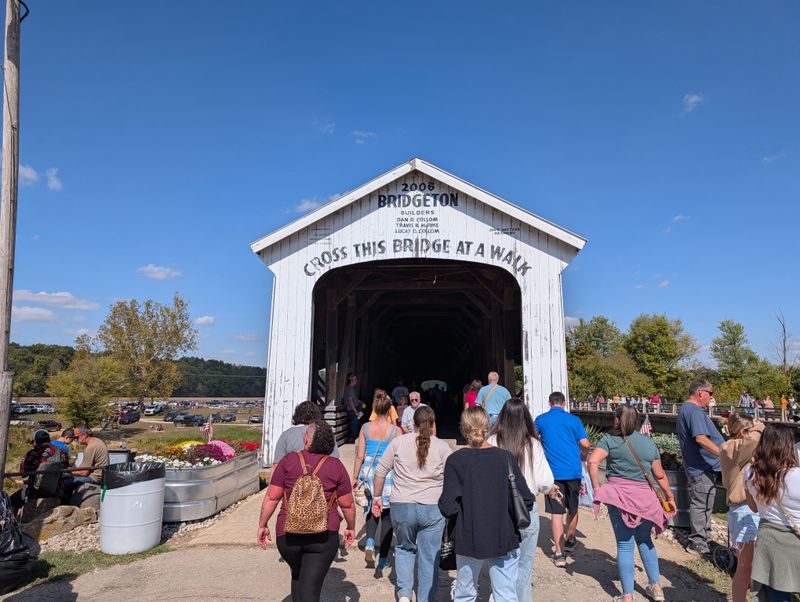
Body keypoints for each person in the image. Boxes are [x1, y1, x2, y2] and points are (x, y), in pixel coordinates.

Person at [439, 406, 534, 602]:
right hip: (504, 533)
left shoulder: (455, 460)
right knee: (505, 594)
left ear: (463, 428)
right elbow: (526, 499)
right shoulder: (505, 457)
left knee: (465, 593)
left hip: (468, 535)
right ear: (488, 426)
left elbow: (448, 507)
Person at [257, 420, 356, 602]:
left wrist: (262, 525)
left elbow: (272, 497)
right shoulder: (336, 466)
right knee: (310, 591)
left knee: (298, 574)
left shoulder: (288, 460)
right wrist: (351, 527)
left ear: (306, 440)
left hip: (287, 535)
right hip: (323, 536)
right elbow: (347, 504)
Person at [588, 405, 675, 602]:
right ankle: (657, 587)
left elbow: (593, 462)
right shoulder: (648, 443)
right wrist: (669, 497)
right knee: (645, 540)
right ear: (635, 421)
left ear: (617, 420)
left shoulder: (609, 439)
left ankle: (628, 595)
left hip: (619, 497)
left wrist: (596, 487)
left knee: (625, 545)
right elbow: (659, 475)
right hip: (645, 499)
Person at [373, 405, 452, 602]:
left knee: (404, 548)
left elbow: (380, 471)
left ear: (413, 424)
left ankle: (405, 595)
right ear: (433, 424)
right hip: (433, 508)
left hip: (402, 506)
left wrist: (377, 497)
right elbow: (453, 477)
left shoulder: (398, 443)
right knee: (429, 555)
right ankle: (425, 598)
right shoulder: (443, 447)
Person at [487, 398, 555, 602]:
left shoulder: (492, 442)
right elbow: (545, 482)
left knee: (500, 566)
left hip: (498, 511)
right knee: (523, 568)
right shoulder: (532, 444)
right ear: (525, 417)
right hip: (526, 510)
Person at [534, 391, 591, 567]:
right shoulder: (574, 420)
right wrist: (584, 455)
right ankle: (570, 539)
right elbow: (586, 444)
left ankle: (559, 554)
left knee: (556, 512)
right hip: (573, 471)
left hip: (553, 474)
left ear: (549, 403)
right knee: (573, 508)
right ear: (564, 403)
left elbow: (533, 439)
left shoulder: (541, 420)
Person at [745, 424, 800, 601]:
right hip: (796, 539)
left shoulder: (751, 473)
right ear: (788, 446)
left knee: (777, 594)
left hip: (769, 540)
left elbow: (753, 507)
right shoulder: (796, 475)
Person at [352, 390, 399, 571]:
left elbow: (359, 455)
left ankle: (370, 541)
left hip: (369, 471)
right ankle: (384, 559)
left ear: (374, 408)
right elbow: (399, 456)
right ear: (390, 410)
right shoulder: (395, 431)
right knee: (386, 515)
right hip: (387, 473)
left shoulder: (365, 428)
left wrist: (355, 477)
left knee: (371, 507)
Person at [676, 378, 724, 555]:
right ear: (701, 393)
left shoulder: (688, 410)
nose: (711, 398)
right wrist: (724, 454)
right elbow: (701, 439)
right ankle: (697, 541)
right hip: (700, 467)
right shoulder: (694, 411)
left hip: (701, 466)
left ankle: (705, 538)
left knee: (705, 502)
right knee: (701, 503)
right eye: (710, 394)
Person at [720, 413, 765, 602]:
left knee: (753, 567)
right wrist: (759, 427)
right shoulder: (731, 447)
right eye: (749, 431)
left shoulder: (737, 449)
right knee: (745, 568)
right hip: (744, 510)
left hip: (749, 509)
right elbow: (753, 441)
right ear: (744, 432)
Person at [9, 430, 69, 512]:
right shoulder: (61, 452)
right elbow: (66, 468)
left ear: (36, 442)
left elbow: (24, 474)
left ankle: (13, 522)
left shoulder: (32, 453)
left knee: (12, 500)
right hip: (57, 490)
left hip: (36, 492)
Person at [273, 401, 340, 464]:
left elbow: (277, 464)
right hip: (320, 474)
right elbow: (334, 459)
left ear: (297, 415)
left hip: (294, 474)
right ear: (317, 415)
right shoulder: (326, 433)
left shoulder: (286, 434)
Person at [61, 425, 109, 504]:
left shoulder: (91, 447)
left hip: (96, 477)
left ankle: (67, 506)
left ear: (85, 435)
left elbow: (83, 472)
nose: (75, 440)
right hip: (102, 475)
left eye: (76, 437)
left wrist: (67, 471)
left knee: (65, 484)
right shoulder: (97, 440)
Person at [341, 373, 362, 443]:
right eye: (355, 380)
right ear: (351, 380)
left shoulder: (351, 389)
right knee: (354, 425)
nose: (356, 381)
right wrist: (356, 411)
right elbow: (350, 401)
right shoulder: (350, 389)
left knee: (355, 424)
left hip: (353, 409)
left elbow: (352, 399)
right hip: (352, 411)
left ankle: (352, 439)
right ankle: (352, 440)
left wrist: (359, 401)